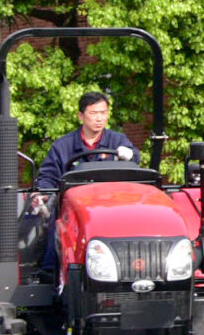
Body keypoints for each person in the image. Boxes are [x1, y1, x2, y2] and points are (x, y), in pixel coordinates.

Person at [29, 91, 136, 280]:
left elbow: (134, 160)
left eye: (103, 113)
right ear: (81, 116)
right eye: (94, 113)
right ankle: (52, 275)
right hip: (74, 211)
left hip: (112, 208)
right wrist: (42, 193)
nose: (99, 118)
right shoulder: (63, 146)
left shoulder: (118, 141)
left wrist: (130, 155)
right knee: (55, 226)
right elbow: (48, 175)